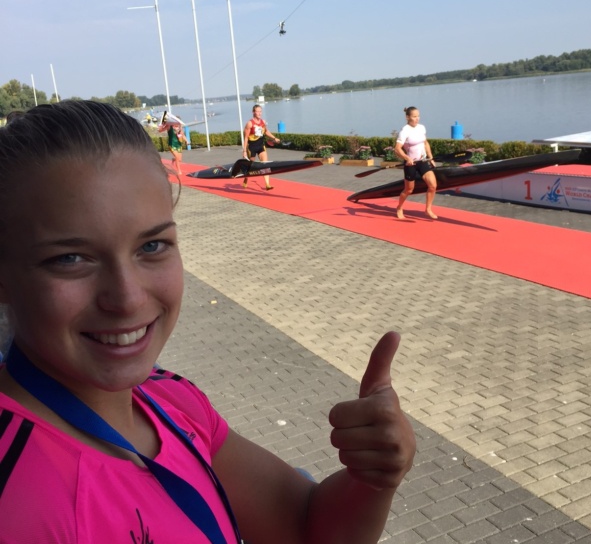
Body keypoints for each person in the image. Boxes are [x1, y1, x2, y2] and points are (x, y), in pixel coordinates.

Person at [0, 100, 415, 543]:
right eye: (70, 258)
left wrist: (373, 480)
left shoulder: (167, 398)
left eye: (152, 246)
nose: (127, 298)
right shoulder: (19, 507)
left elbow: (306, 526)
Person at [394, 106, 438, 220]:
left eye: (418, 116)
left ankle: (428, 209)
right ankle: (399, 207)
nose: (417, 118)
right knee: (409, 190)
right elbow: (397, 149)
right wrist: (407, 158)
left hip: (422, 161)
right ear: (407, 117)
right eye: (414, 116)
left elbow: (425, 143)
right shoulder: (405, 131)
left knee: (433, 185)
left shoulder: (421, 128)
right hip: (411, 164)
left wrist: (431, 157)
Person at [242, 104, 281, 190]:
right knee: (250, 166)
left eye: (260, 111)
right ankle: (246, 178)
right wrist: (244, 151)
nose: (259, 113)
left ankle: (267, 184)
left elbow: (266, 132)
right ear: (253, 112)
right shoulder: (249, 124)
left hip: (261, 146)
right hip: (252, 147)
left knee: (265, 164)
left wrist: (274, 138)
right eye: (257, 111)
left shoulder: (263, 122)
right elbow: (246, 138)